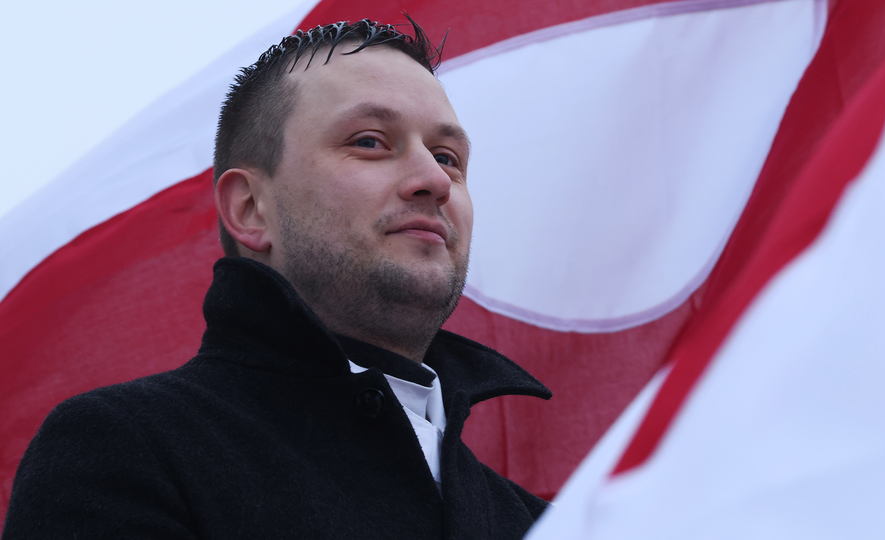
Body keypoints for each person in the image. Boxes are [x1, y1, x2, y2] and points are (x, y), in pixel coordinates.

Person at [2, 19, 551, 539]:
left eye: (448, 156)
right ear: (249, 209)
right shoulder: (125, 446)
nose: (434, 179)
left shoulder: (557, 525)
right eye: (369, 141)